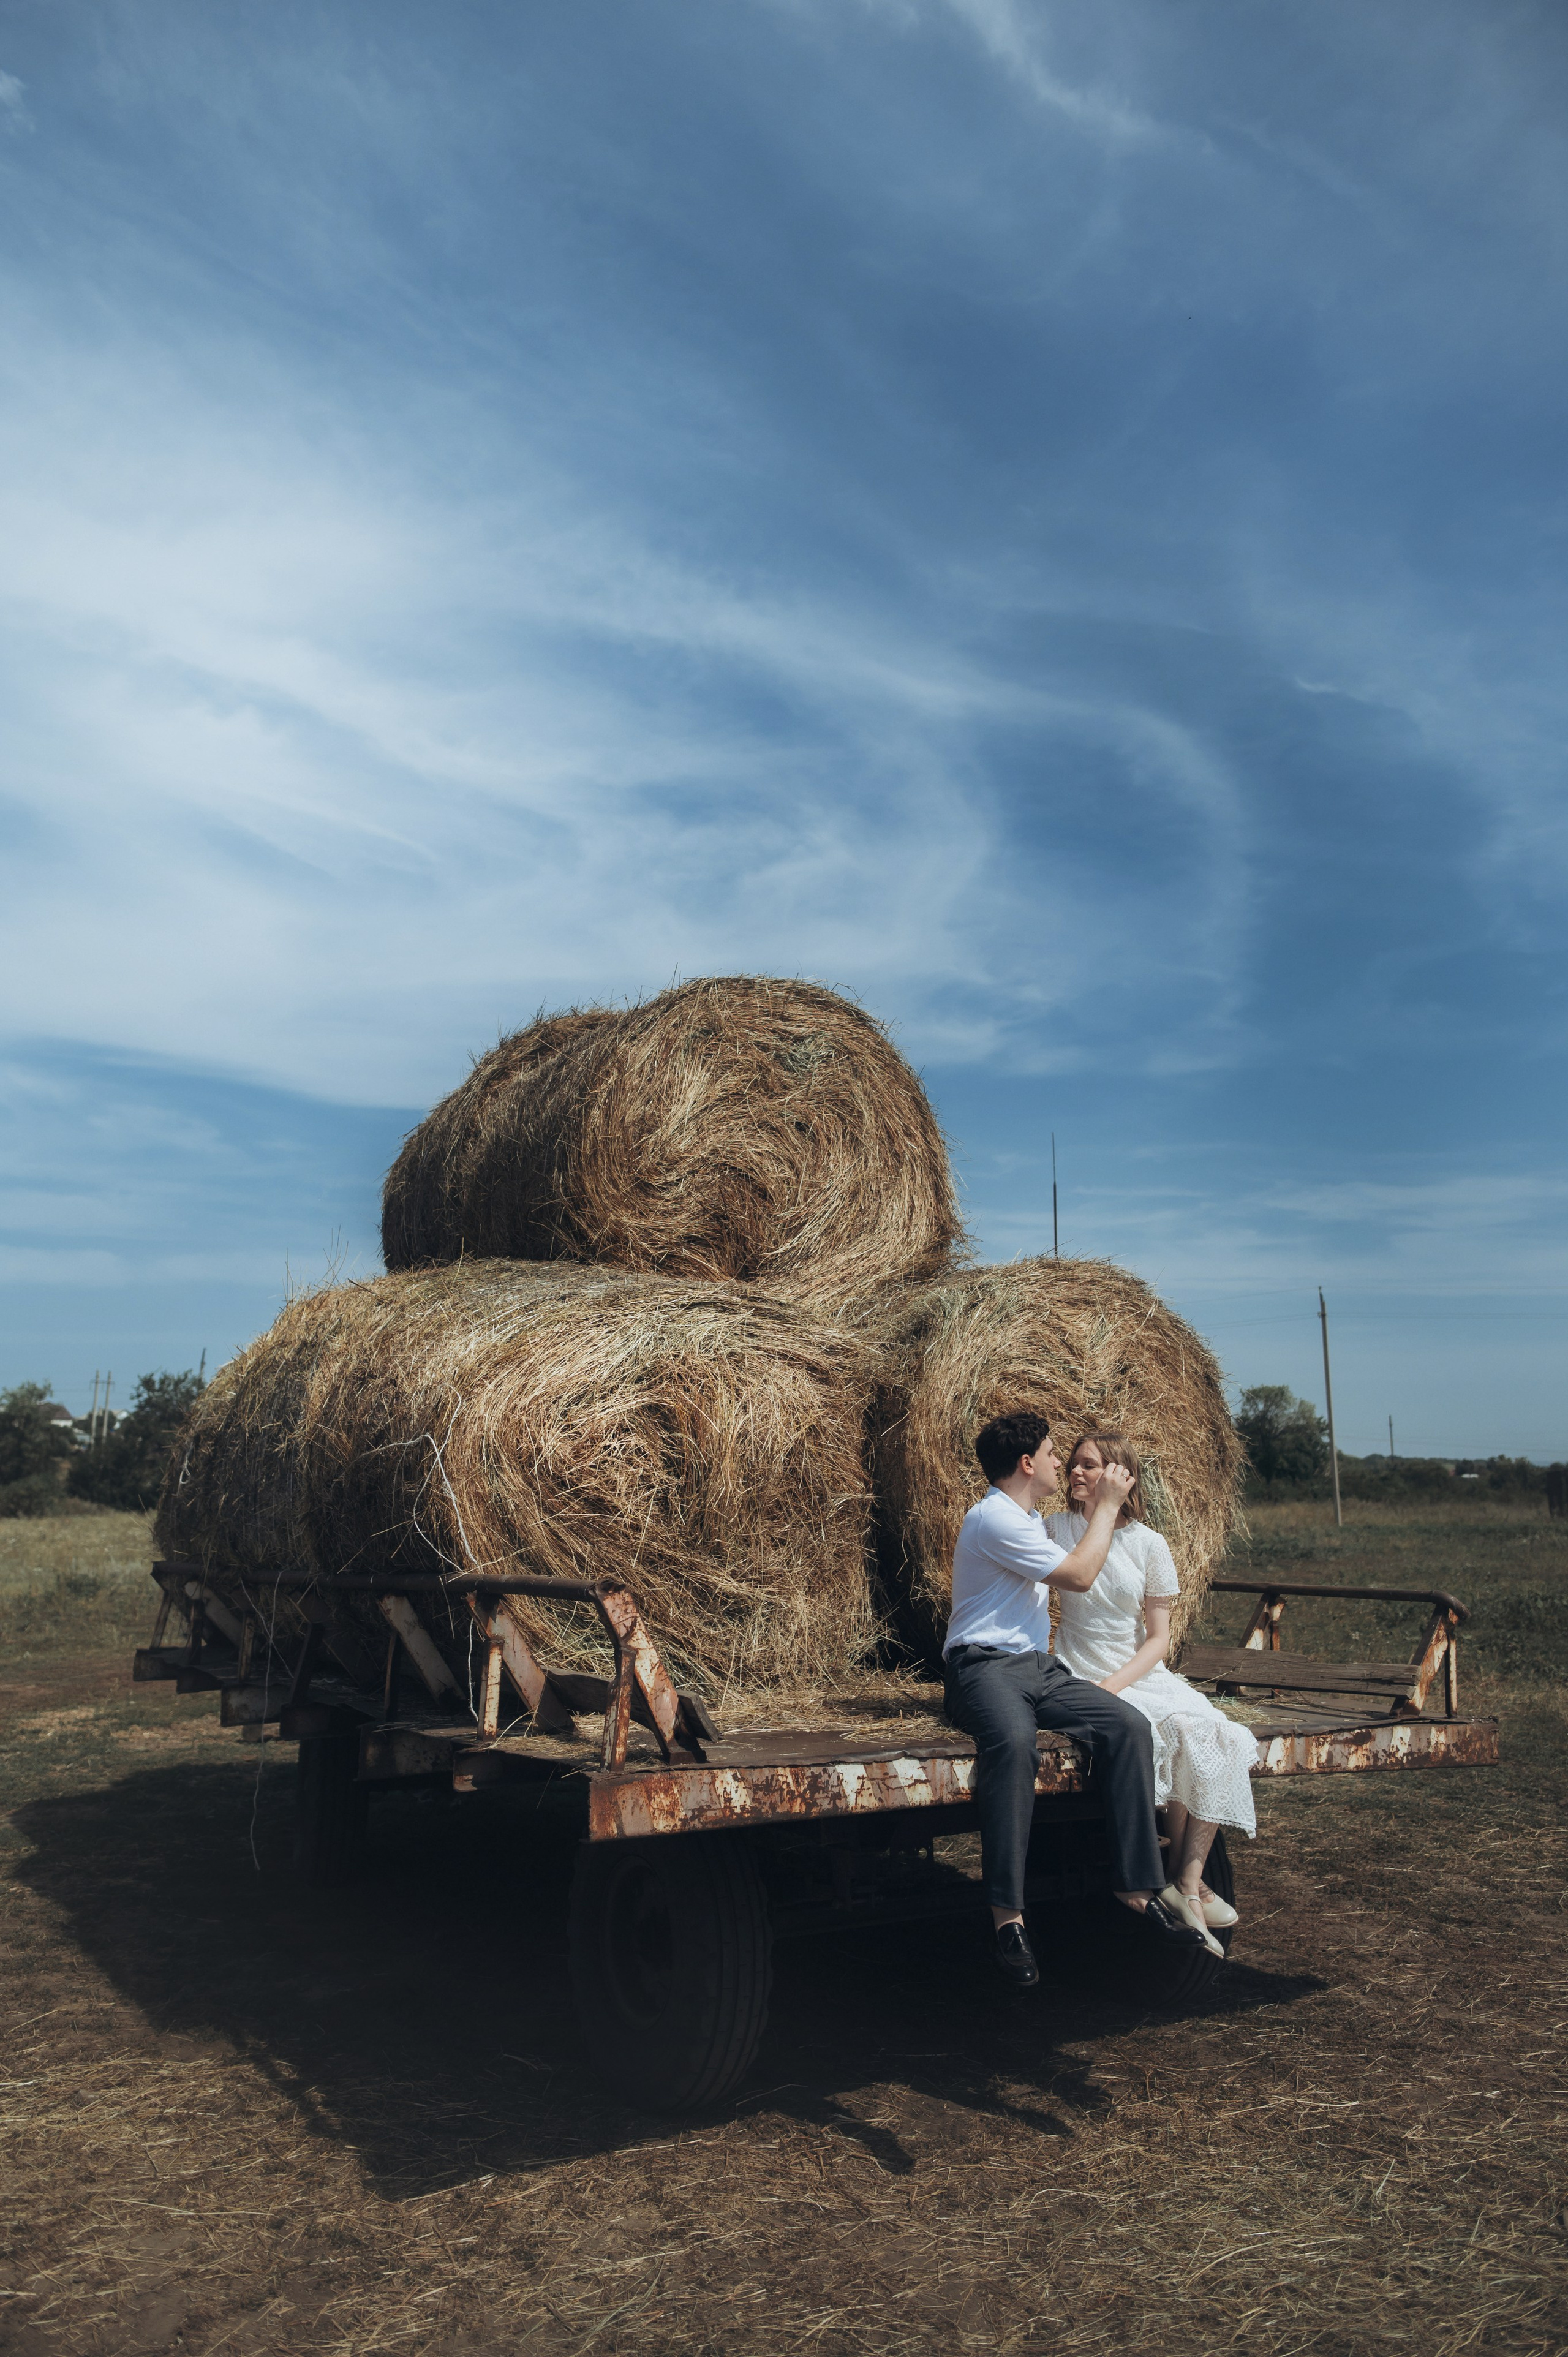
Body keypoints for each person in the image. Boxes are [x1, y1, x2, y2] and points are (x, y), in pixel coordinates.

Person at [942, 1410, 1208, 1988]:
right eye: (1054, 1453)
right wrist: (1110, 1504)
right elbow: (1082, 1576)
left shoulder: (1035, 1520)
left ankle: (1137, 1885)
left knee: (1129, 1726)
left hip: (1041, 1667)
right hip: (983, 1668)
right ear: (1026, 1463)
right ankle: (1007, 1919)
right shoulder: (994, 1519)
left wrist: (1110, 1507)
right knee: (1014, 1745)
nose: (1062, 1463)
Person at [1046, 1430, 1259, 1958]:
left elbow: (1159, 1638)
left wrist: (1115, 1686)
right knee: (1173, 1732)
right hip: (1079, 1665)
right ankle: (1189, 1890)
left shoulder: (1149, 1543)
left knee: (1217, 1733)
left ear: (1120, 1476)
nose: (1074, 1472)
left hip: (1137, 1671)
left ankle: (1187, 1880)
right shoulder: (1055, 1529)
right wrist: (1095, 1687)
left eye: (1089, 1466)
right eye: (1072, 1463)